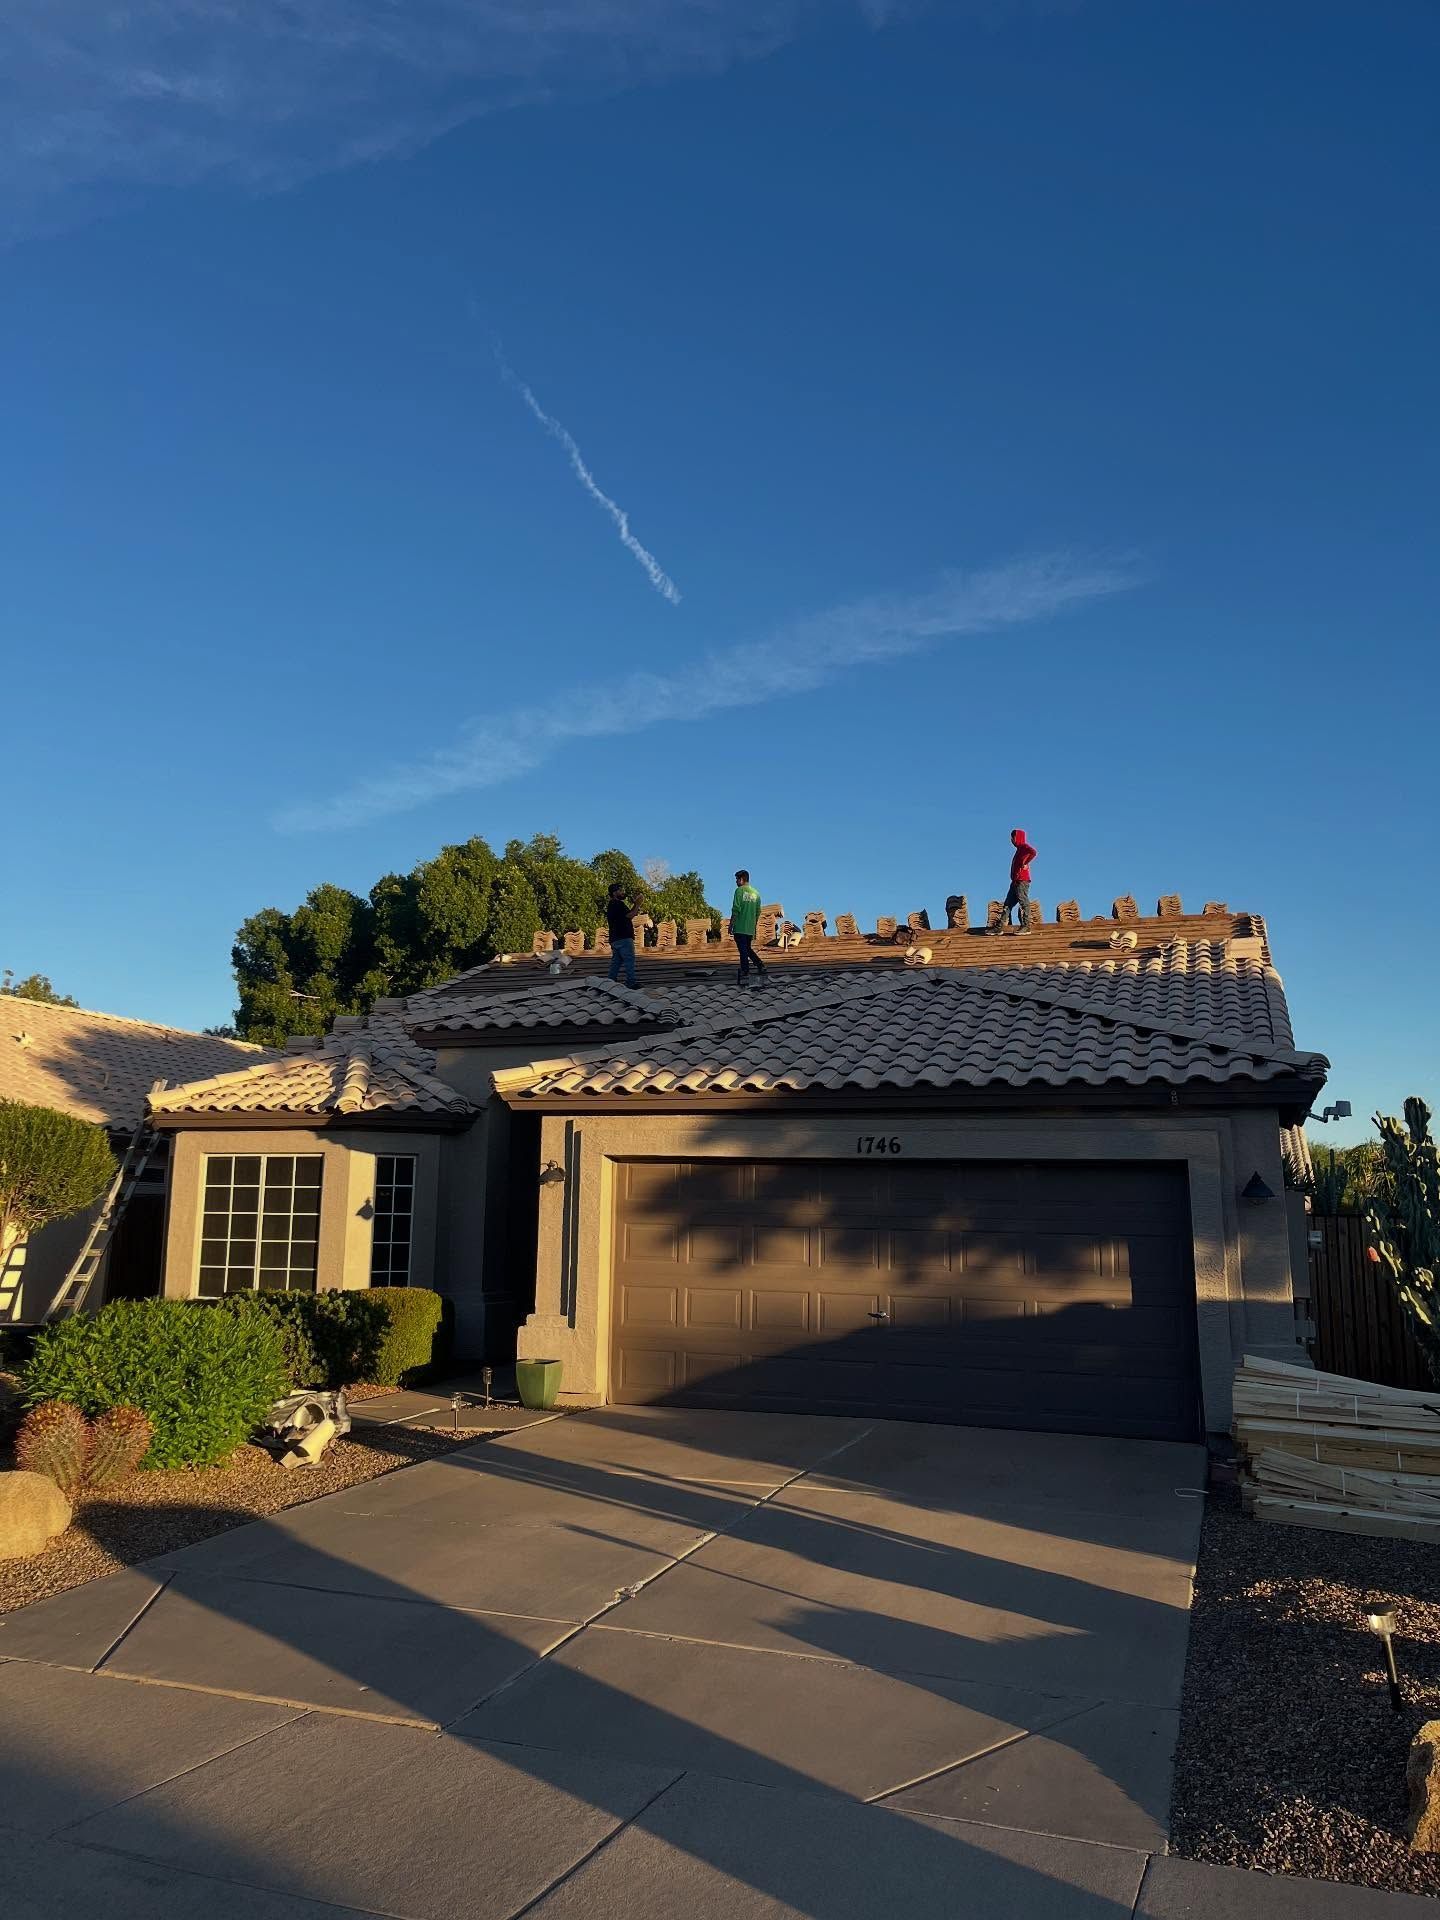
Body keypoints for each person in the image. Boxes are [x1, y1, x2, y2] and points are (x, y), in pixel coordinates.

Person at [994, 827, 1037, 932]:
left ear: (1018, 838)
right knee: (1007, 904)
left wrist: (1026, 862)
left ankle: (1026, 926)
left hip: (1022, 880)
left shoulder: (1024, 847)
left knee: (1023, 901)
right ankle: (999, 927)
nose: (1011, 840)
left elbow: (1033, 852)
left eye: (1013, 838)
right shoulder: (1019, 850)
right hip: (1015, 881)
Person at [730, 869, 769, 986]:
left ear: (741, 879)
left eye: (737, 879)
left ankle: (745, 971)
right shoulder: (756, 894)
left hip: (740, 926)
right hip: (749, 928)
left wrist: (731, 924)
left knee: (743, 950)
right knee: (747, 949)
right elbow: (758, 911)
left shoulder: (739, 891)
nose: (736, 882)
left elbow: (736, 909)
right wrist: (753, 924)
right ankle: (760, 965)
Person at [605, 881, 639, 987]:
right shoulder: (618, 904)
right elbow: (630, 915)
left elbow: (630, 914)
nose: (622, 892)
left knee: (616, 962)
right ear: (614, 893)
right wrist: (638, 903)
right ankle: (631, 982)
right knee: (629, 960)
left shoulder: (611, 905)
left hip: (615, 938)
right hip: (623, 937)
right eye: (620, 891)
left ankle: (610, 981)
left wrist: (635, 905)